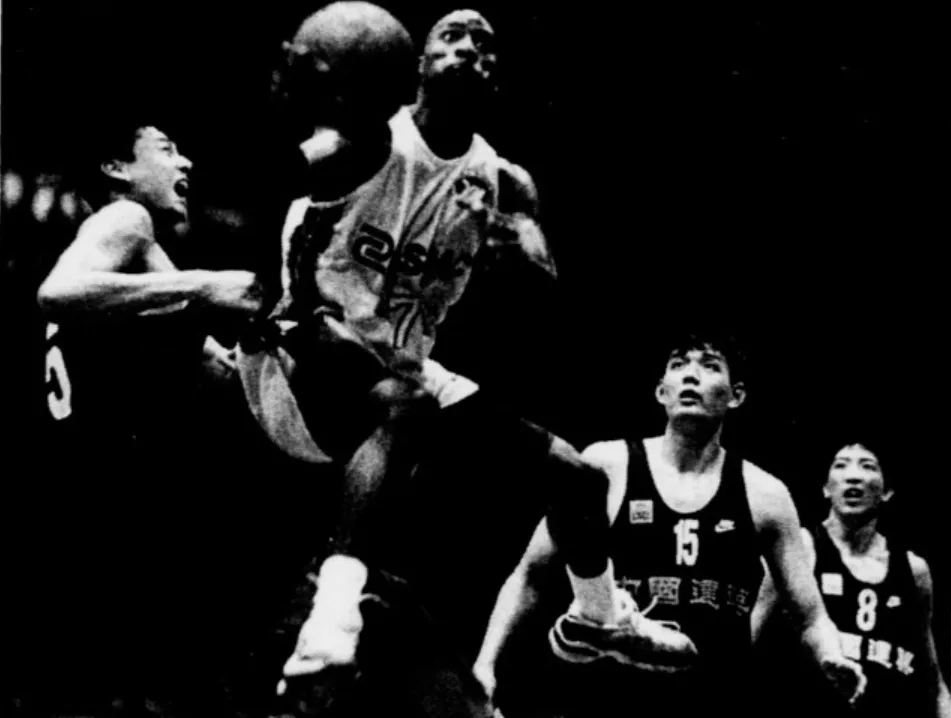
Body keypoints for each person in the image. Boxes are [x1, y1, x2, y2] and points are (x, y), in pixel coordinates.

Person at [232, 5, 695, 717]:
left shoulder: (505, 182)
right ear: (413, 64)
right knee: (405, 406)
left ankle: (598, 616)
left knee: (576, 476)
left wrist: (520, 260)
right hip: (301, 345)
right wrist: (290, 96)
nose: (472, 46)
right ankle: (333, 612)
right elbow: (265, 177)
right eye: (453, 34)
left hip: (402, 364)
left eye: (486, 42)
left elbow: (544, 285)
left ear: (496, 78)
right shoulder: (361, 143)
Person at [472, 329, 867, 717]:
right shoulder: (607, 466)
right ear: (661, 391)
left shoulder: (767, 494)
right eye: (679, 365)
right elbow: (531, 575)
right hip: (606, 696)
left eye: (710, 366)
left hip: (710, 700)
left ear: (736, 396)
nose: (691, 375)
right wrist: (485, 667)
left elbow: (810, 615)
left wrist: (832, 655)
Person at [34, 116, 265, 716]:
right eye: (166, 150)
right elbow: (56, 293)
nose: (185, 163)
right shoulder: (124, 219)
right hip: (99, 498)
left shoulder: (145, 260)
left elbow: (221, 371)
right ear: (117, 169)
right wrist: (206, 285)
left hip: (95, 502)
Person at [751, 440, 951, 718]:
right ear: (826, 488)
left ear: (887, 491)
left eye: (867, 466)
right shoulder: (800, 549)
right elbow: (747, 631)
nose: (853, 476)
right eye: (841, 465)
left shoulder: (914, 570)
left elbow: (932, 680)